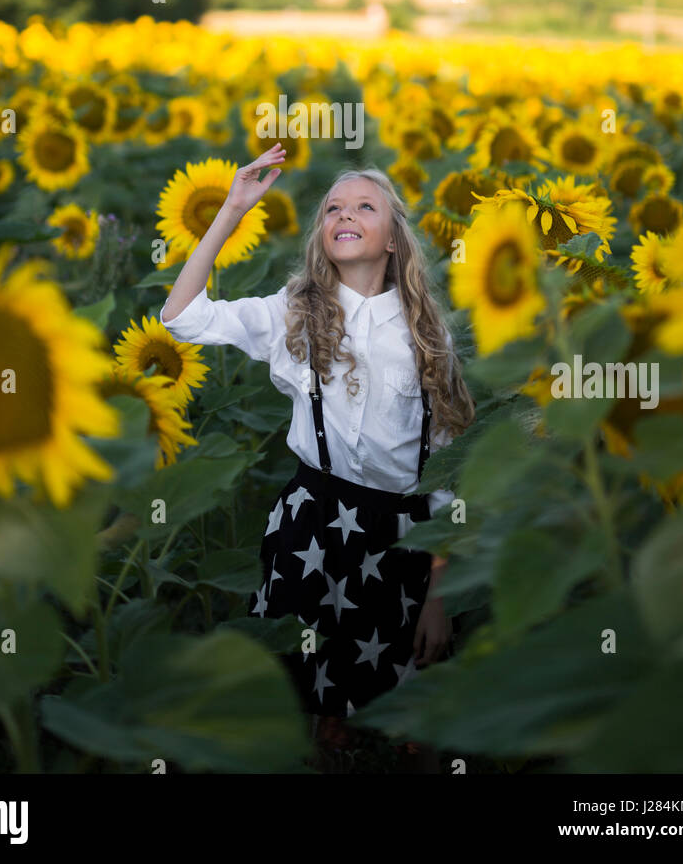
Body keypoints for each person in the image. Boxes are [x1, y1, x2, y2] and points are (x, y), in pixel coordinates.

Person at [160, 142, 475, 770]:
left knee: (405, 698)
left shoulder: (427, 333)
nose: (344, 214)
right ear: (323, 233)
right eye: (333, 208)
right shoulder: (293, 312)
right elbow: (183, 318)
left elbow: (447, 475)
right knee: (307, 691)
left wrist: (440, 593)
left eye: (364, 206)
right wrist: (232, 209)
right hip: (312, 519)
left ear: (392, 240)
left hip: (403, 532)